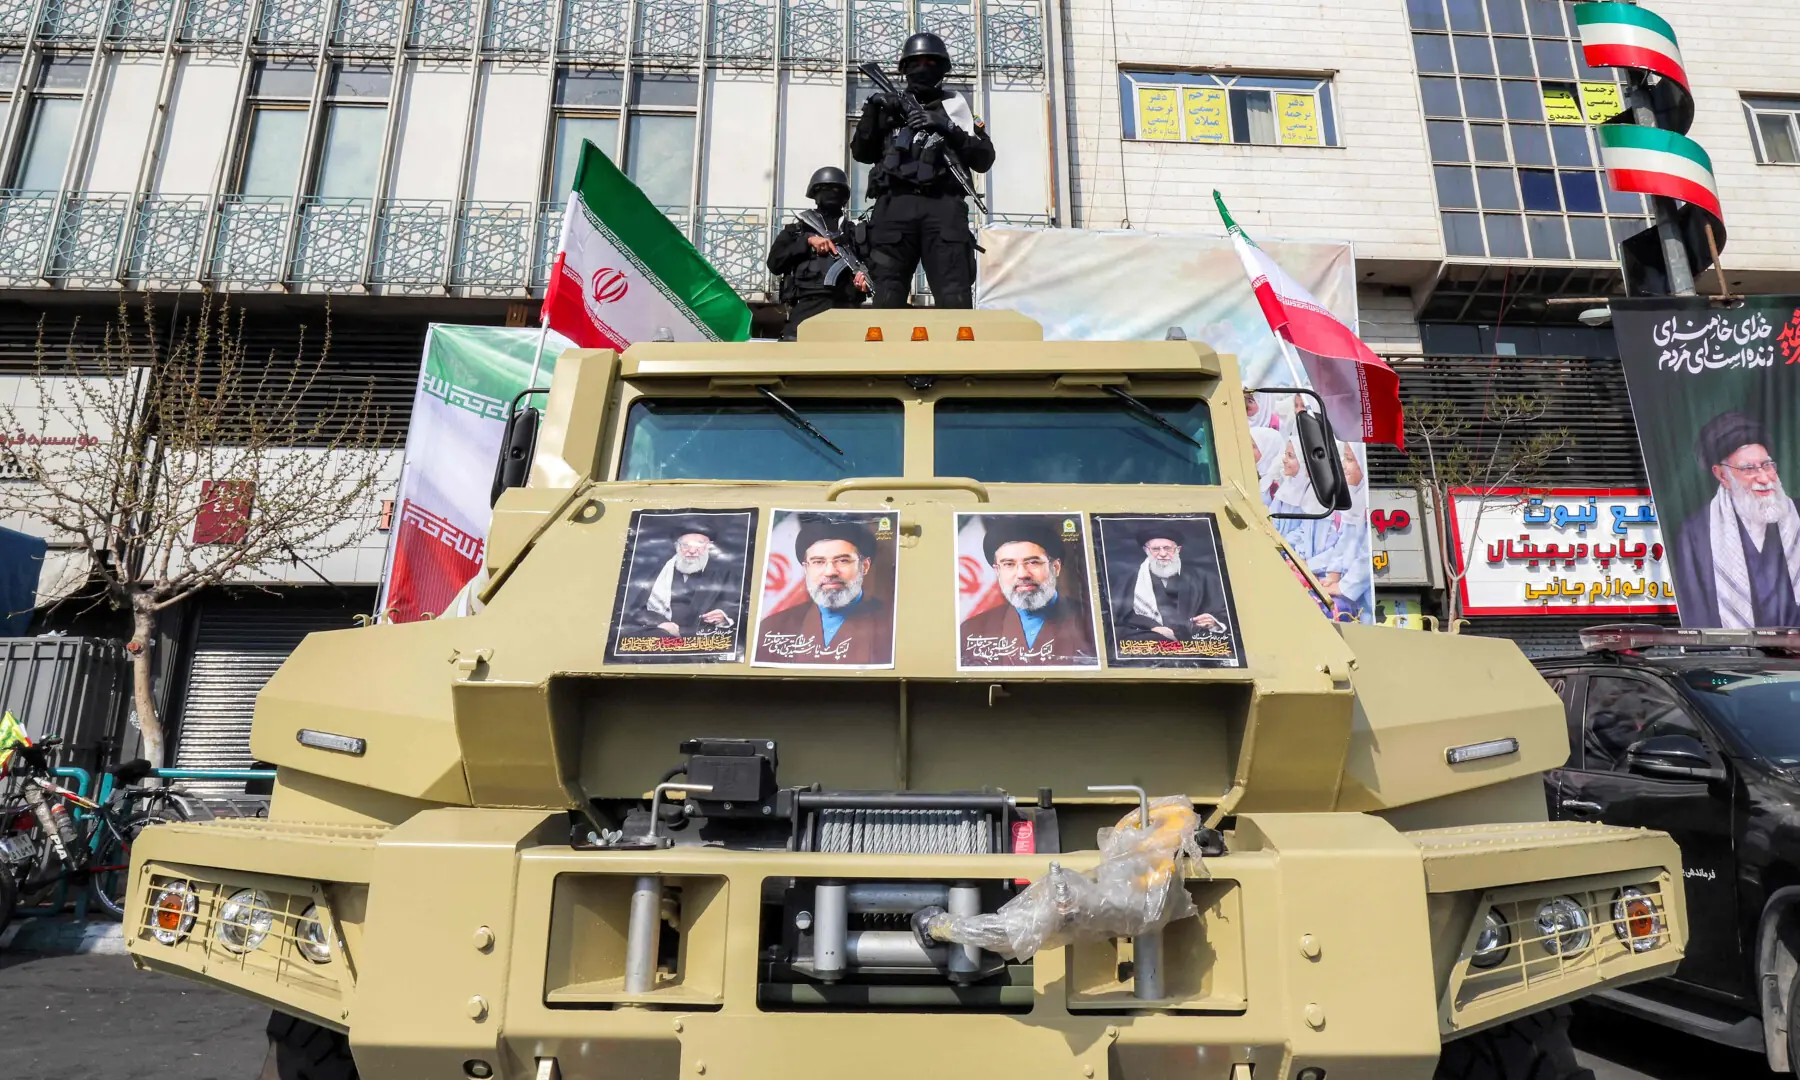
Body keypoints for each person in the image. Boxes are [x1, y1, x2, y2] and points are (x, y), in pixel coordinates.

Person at [850, 31, 995, 310]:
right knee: (887, 295)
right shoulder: (886, 106)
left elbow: (984, 159)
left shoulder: (957, 110)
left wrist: (947, 127)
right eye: (915, 63)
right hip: (894, 207)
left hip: (943, 208)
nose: (922, 70)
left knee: (954, 294)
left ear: (942, 70)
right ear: (904, 70)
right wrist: (874, 110)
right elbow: (861, 153)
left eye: (931, 63)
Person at [1673, 411, 1800, 628]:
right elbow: (1697, 610)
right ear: (1722, 475)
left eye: (1767, 465)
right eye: (1748, 469)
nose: (1764, 478)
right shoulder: (1696, 534)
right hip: (1735, 658)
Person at [755, 516, 892, 665]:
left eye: (842, 561)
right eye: (818, 562)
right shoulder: (773, 627)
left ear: (864, 566)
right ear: (806, 569)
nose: (830, 572)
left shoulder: (892, 624)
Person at [959, 520, 1096, 666]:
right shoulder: (972, 631)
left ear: (1055, 567)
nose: (1022, 574)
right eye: (1009, 564)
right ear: (997, 572)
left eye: (1033, 562)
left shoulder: (1091, 621)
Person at [765, 166, 869, 341]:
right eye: (825, 190)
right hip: (808, 307)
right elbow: (774, 264)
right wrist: (806, 242)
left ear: (844, 196)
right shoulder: (796, 231)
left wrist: (864, 279)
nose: (831, 194)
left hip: (847, 308)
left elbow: (874, 267)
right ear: (815, 194)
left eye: (836, 190)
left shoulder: (854, 233)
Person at [1110, 524, 1230, 645]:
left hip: (1194, 641)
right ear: (1146, 551)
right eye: (1156, 549)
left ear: (1178, 550)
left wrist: (1214, 621)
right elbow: (1118, 617)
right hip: (1152, 640)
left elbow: (1224, 612)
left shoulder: (1203, 577)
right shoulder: (1131, 578)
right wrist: (1152, 626)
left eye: (1168, 548)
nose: (1162, 554)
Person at [628, 520, 741, 638]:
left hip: (705, 639)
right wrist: (661, 623)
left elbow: (739, 606)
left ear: (709, 546)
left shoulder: (725, 573)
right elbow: (637, 610)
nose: (692, 551)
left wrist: (724, 615)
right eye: (686, 545)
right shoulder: (661, 572)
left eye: (699, 544)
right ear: (677, 546)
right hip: (663, 638)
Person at [1311, 443, 1370, 622]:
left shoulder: (1367, 502)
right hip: (1348, 585)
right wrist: (1333, 574)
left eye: (1350, 459)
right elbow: (1344, 543)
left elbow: (1368, 553)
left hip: (1363, 595)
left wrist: (1344, 586)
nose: (1343, 465)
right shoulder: (1353, 496)